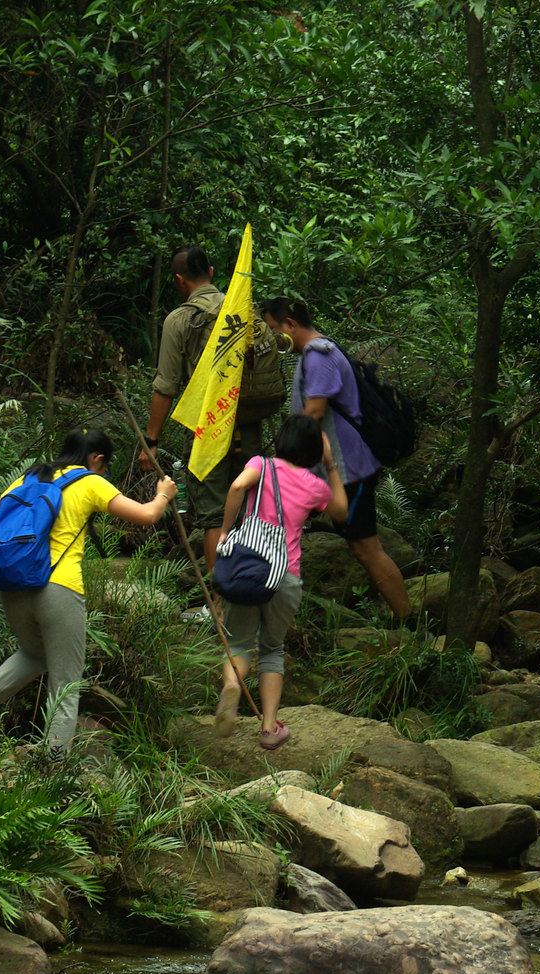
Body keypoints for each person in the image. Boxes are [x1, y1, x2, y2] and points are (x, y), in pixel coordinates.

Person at [0, 426, 178, 753]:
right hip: (58, 588)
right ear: (98, 459)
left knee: (36, 654)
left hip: (12, 585)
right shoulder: (89, 481)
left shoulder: (30, 478)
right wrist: (164, 493)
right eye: (104, 466)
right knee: (66, 684)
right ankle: (52, 766)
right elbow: (147, 516)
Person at [261, 296, 412, 619]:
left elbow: (313, 413)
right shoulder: (316, 352)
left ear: (290, 323)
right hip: (333, 469)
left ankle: (411, 625)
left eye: (276, 330)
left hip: (347, 470)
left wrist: (286, 465)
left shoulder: (319, 356)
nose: (276, 338)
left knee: (366, 548)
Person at [213, 414, 348, 750]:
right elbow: (342, 513)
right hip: (284, 576)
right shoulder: (316, 486)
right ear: (314, 451)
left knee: (240, 643)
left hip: (246, 568)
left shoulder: (261, 464)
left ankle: (232, 683)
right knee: (272, 649)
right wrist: (330, 465)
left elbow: (237, 486)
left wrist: (226, 530)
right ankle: (270, 729)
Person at [142, 245, 263, 572]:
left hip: (206, 428)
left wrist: (151, 440)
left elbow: (165, 387)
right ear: (210, 273)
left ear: (180, 281)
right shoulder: (243, 308)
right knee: (248, 509)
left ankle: (219, 606)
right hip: (248, 423)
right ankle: (252, 594)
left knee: (213, 516)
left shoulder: (179, 321)